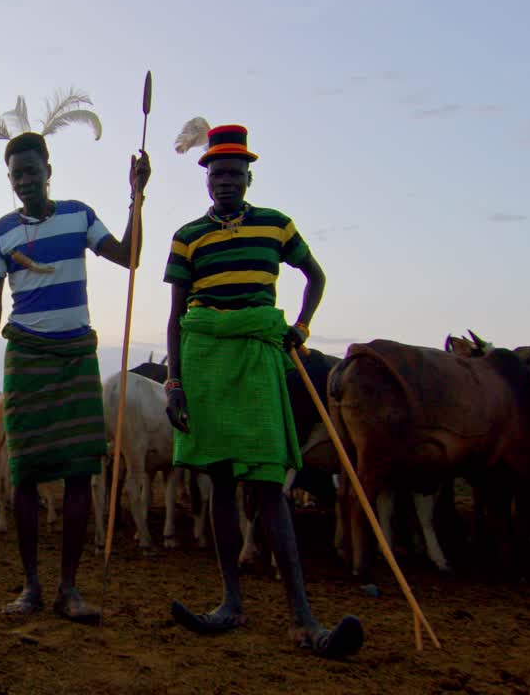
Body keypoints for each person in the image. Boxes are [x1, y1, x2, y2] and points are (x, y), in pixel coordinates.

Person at [162, 124, 362, 658]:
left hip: (257, 357)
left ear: (249, 176)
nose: (225, 181)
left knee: (271, 484)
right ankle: (231, 603)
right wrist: (175, 383)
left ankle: (304, 618)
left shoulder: (277, 226)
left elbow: (314, 276)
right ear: (206, 179)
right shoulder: (187, 236)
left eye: (234, 172)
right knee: (222, 485)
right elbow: (177, 316)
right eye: (217, 172)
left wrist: (302, 328)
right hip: (205, 358)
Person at [0, 132, 150, 623]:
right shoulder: (1, 232)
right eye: (17, 174)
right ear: (10, 180)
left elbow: (129, 256)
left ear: (48, 170)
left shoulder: (79, 215)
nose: (26, 180)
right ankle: (31, 586)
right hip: (26, 354)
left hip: (76, 353)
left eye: (33, 170)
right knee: (25, 473)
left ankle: (68, 589)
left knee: (80, 471)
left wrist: (136, 197)